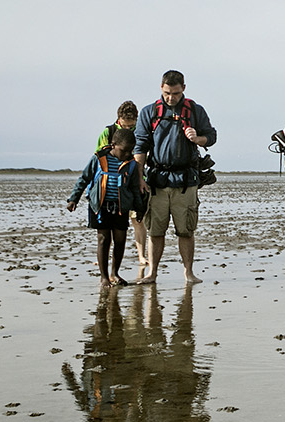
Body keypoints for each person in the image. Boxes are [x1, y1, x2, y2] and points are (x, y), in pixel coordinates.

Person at [133, 70, 217, 287]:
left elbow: (212, 136)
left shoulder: (195, 111)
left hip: (186, 182)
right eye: (168, 93)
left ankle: (189, 273)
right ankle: (152, 274)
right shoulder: (148, 112)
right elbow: (140, 145)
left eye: (176, 93)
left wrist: (198, 138)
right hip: (157, 181)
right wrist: (139, 177)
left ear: (184, 89)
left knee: (186, 231)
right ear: (161, 88)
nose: (171, 98)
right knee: (155, 231)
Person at [67, 131, 140, 284]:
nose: (127, 153)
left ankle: (115, 273)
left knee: (120, 239)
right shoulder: (98, 159)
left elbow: (134, 188)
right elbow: (84, 179)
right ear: (113, 145)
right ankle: (104, 277)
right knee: (103, 239)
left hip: (121, 207)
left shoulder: (132, 164)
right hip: (100, 206)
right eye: (124, 150)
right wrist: (74, 199)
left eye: (130, 150)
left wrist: (139, 208)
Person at [95, 101, 148, 276]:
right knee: (106, 230)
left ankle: (141, 255)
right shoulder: (108, 132)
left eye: (132, 125)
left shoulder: (142, 130)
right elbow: (99, 157)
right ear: (119, 120)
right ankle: (105, 262)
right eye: (126, 125)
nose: (130, 128)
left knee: (137, 220)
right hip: (111, 185)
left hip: (135, 180)